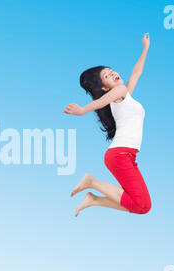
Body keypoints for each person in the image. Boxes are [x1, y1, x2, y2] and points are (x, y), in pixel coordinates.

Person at [63, 33, 152, 217]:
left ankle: (94, 199)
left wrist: (145, 48)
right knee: (142, 205)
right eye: (107, 75)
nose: (113, 73)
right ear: (104, 87)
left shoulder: (123, 95)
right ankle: (92, 182)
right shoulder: (117, 93)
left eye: (112, 70)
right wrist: (82, 110)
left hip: (125, 155)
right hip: (120, 155)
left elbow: (136, 73)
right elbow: (100, 102)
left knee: (141, 205)